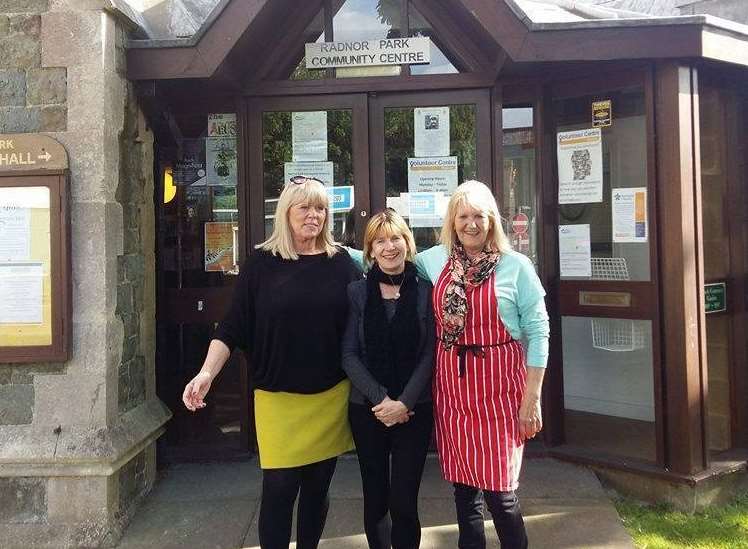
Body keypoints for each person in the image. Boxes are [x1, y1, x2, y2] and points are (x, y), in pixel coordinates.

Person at [182, 177, 360, 549]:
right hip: (277, 398)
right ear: (286, 213)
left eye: (320, 208)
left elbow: (369, 314)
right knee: (279, 490)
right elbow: (232, 326)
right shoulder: (262, 263)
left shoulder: (342, 262)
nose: (314, 215)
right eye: (304, 207)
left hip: (329, 396)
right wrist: (206, 373)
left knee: (317, 489)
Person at [415, 180, 550, 549]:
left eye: (479, 216)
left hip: (502, 390)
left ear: (492, 220)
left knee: (501, 495)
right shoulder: (435, 260)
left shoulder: (517, 266)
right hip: (454, 390)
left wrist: (531, 399)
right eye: (463, 216)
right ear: (452, 221)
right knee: (464, 493)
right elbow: (381, 255)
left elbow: (539, 334)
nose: (471, 224)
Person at [342, 209, 435, 549]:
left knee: (404, 502)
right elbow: (349, 354)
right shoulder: (356, 292)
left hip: (415, 409)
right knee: (376, 499)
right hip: (368, 410)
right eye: (380, 241)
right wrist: (383, 400)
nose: (389, 247)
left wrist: (405, 402)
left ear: (407, 243)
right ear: (370, 250)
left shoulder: (426, 291)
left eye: (395, 238)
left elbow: (430, 353)